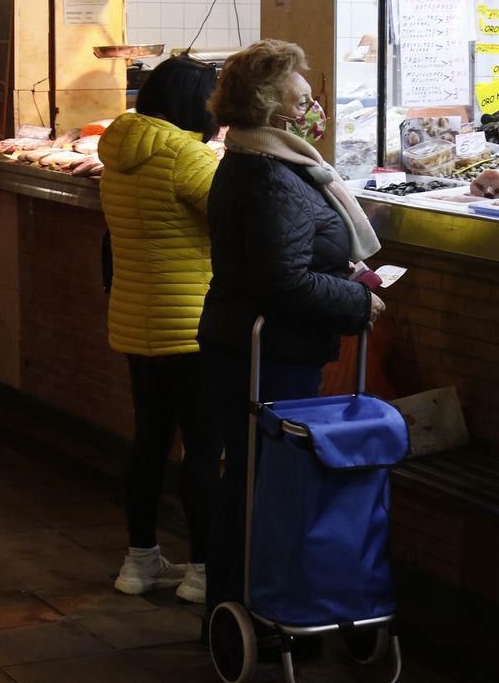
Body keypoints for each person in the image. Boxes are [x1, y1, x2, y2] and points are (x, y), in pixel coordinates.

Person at [197, 39, 386, 617]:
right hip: (265, 352)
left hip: (257, 345)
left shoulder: (271, 163)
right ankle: (249, 605)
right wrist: (357, 300)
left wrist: (346, 268)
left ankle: (245, 601)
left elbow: (287, 256)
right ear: (272, 108)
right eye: (303, 98)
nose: (314, 108)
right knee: (259, 480)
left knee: (253, 474)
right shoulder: (270, 177)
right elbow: (283, 282)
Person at [98, 56, 223, 605]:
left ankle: (140, 561)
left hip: (135, 318)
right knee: (202, 449)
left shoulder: (119, 150)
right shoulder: (184, 153)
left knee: (149, 441)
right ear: (196, 103)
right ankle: (202, 571)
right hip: (190, 323)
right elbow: (234, 213)